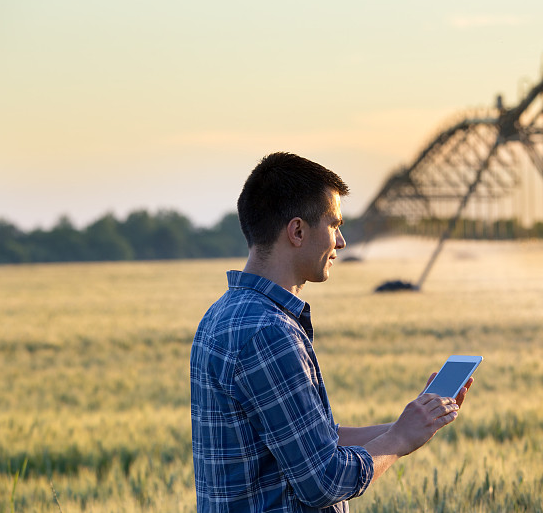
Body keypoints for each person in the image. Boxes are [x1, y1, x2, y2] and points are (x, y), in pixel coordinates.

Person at [190, 152, 473, 512]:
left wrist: (415, 421)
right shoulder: (269, 333)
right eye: (334, 225)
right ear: (297, 231)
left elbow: (313, 441)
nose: (340, 242)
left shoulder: (220, 316)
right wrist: (399, 439)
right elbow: (324, 481)